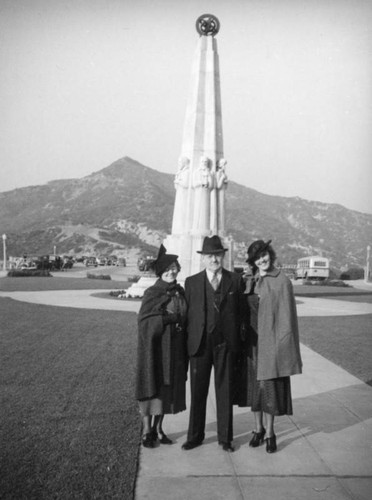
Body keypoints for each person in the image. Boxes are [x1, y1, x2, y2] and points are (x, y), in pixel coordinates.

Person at [237, 239, 302, 453]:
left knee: (269, 390)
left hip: (271, 343)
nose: (262, 259)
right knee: (253, 390)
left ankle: (271, 432)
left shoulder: (281, 281)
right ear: (253, 262)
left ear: (270, 255)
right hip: (251, 344)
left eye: (264, 255)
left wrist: (282, 345)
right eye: (257, 257)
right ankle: (258, 429)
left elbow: (287, 318)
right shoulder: (248, 280)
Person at [182, 235, 246, 452]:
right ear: (203, 259)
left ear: (223, 256)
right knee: (197, 391)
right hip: (199, 344)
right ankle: (195, 436)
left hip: (225, 344)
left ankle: (225, 438)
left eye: (217, 255)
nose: (214, 260)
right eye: (210, 256)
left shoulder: (235, 280)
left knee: (224, 391)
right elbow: (187, 316)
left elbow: (242, 314)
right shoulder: (191, 282)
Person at [135, 244, 188, 448]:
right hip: (156, 349)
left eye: (174, 267)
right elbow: (144, 321)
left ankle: (159, 428)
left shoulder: (179, 292)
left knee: (167, 390)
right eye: (167, 269)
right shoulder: (153, 292)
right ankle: (148, 431)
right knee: (152, 387)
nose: (172, 271)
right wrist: (165, 320)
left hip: (174, 349)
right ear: (161, 272)